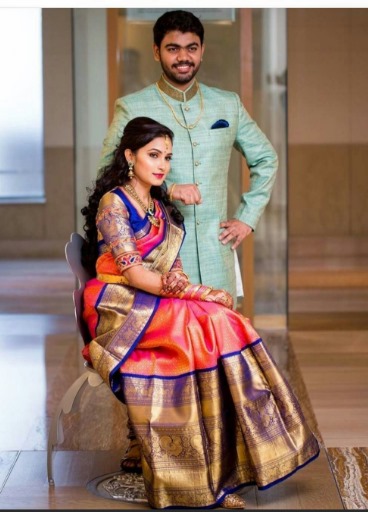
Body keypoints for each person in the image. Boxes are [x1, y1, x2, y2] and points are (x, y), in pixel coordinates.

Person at [81, 117, 319, 510]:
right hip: (119, 305)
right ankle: (193, 477)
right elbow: (134, 272)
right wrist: (196, 291)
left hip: (152, 298)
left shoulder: (157, 204)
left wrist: (184, 283)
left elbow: (169, 262)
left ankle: (236, 460)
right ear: (129, 156)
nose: (162, 165)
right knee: (196, 329)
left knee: (226, 322)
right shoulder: (114, 203)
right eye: (153, 155)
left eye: (167, 157)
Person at [98, 9, 279, 305]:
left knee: (221, 332)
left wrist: (246, 218)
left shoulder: (228, 104)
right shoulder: (132, 107)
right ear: (156, 52)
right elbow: (108, 173)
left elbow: (266, 159)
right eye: (173, 48)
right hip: (158, 261)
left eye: (191, 48)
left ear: (202, 51)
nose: (183, 57)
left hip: (216, 254)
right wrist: (168, 189)